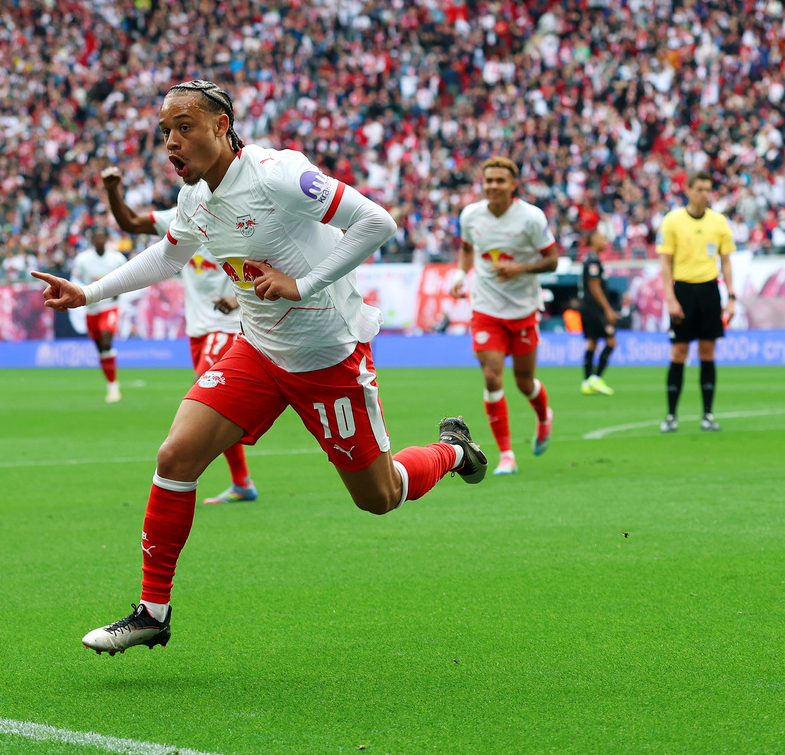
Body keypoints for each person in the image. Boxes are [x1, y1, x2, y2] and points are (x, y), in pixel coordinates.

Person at [33, 80, 487, 655]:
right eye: (165, 132)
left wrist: (304, 283)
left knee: (378, 496)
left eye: (184, 127)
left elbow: (378, 223)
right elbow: (170, 255)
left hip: (328, 359)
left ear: (222, 126)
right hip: (257, 351)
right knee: (176, 456)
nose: (171, 142)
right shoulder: (195, 198)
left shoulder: (279, 174)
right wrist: (90, 292)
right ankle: (152, 610)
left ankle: (453, 452)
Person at [101, 165, 256, 504]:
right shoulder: (183, 213)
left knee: (209, 396)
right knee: (217, 403)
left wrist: (239, 298)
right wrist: (113, 190)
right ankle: (242, 482)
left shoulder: (241, 215)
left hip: (227, 324)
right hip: (198, 328)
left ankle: (188, 475)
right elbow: (130, 223)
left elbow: (268, 263)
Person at [451, 157, 558, 476]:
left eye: (500, 180)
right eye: (488, 181)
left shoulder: (530, 218)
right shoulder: (471, 215)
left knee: (524, 382)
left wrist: (520, 268)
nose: (493, 186)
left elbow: (552, 259)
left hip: (523, 309)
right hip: (486, 307)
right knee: (491, 375)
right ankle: (507, 454)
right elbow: (467, 247)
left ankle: (543, 417)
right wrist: (460, 273)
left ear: (514, 184)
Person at [656, 173, 737, 433]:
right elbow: (665, 263)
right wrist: (670, 299)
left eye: (708, 189)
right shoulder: (673, 221)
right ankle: (671, 416)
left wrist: (731, 297)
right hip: (683, 291)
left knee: (707, 352)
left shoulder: (719, 222)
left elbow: (726, 262)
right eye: (700, 189)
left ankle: (707, 415)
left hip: (709, 291)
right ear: (688, 190)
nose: (705, 193)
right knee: (678, 351)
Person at [70, 227, 128, 403]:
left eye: (103, 237)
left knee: (106, 339)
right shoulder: (83, 260)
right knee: (101, 348)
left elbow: (127, 276)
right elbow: (75, 279)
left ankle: (114, 388)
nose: (100, 241)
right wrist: (82, 290)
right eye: (97, 237)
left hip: (110, 306)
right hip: (92, 308)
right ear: (92, 240)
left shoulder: (117, 258)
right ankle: (110, 384)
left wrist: (119, 290)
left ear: (107, 239)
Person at [579, 230, 618, 396]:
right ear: (593, 240)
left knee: (592, 343)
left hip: (587, 308)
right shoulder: (593, 261)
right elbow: (594, 286)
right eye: (602, 237)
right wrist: (608, 309)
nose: (605, 240)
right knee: (610, 342)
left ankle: (587, 381)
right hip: (594, 309)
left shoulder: (589, 259)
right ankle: (595, 378)